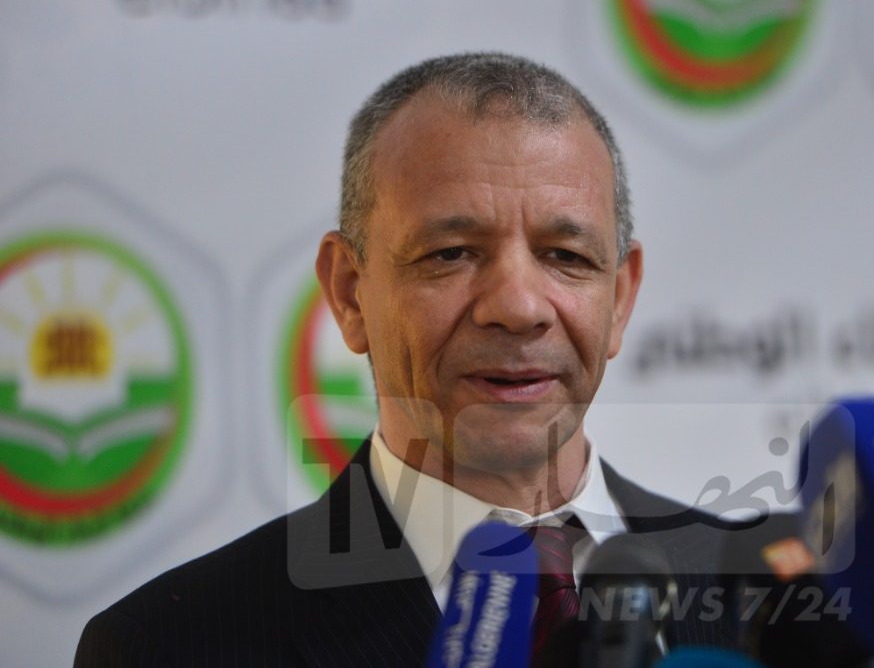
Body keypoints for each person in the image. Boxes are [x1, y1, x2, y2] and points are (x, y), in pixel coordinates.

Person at [74, 52, 740, 667]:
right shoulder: (167, 645)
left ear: (619, 299)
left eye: (566, 256)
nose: (518, 307)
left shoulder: (761, 600)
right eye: (451, 254)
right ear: (349, 293)